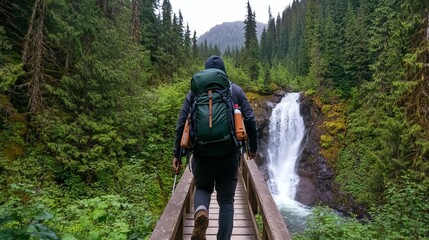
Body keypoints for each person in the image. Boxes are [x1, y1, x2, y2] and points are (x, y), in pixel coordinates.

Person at [172, 55, 257, 240]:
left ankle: (201, 212)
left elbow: (182, 124)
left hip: (202, 155)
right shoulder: (234, 90)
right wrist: (252, 148)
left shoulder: (194, 93)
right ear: (223, 72)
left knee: (202, 188)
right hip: (229, 154)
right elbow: (250, 119)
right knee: (226, 202)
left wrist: (177, 155)